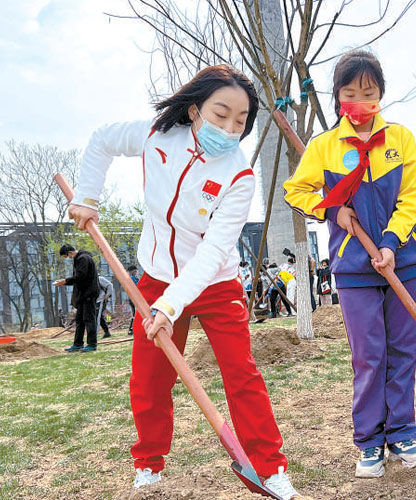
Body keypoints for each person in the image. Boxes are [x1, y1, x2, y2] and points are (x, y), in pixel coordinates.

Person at [67, 64, 302, 497]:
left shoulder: (239, 176)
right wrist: (87, 196)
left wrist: (170, 306)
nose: (229, 128)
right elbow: (101, 139)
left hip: (215, 283)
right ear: (195, 110)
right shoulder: (157, 136)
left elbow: (212, 253)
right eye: (220, 114)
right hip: (156, 278)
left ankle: (270, 468)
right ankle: (149, 465)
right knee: (149, 379)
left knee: (242, 374)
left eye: (240, 121)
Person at [284, 50, 416, 478]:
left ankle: (402, 434)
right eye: (350, 93)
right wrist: (332, 210)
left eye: (368, 92)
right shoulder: (324, 146)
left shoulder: (400, 138)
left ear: (381, 94)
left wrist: (390, 243)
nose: (360, 101)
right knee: (369, 356)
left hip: (404, 262)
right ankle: (369, 442)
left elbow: (412, 195)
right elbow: (296, 191)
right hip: (353, 269)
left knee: (403, 351)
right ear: (337, 98)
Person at [54, 244, 100, 352]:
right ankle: (78, 343)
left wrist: (65, 281)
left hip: (88, 293)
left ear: (70, 252)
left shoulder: (83, 258)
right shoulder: (80, 259)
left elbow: (80, 277)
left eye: (67, 256)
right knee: (79, 320)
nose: (69, 258)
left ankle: (92, 344)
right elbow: (78, 278)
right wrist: (66, 281)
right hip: (83, 295)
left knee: (89, 319)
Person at [127, 265, 139, 335]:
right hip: (134, 298)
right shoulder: (132, 278)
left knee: (135, 314)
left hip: (133, 298)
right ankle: (132, 329)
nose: (136, 272)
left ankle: (132, 329)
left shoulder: (133, 278)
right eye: (135, 271)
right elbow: (137, 286)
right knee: (135, 314)